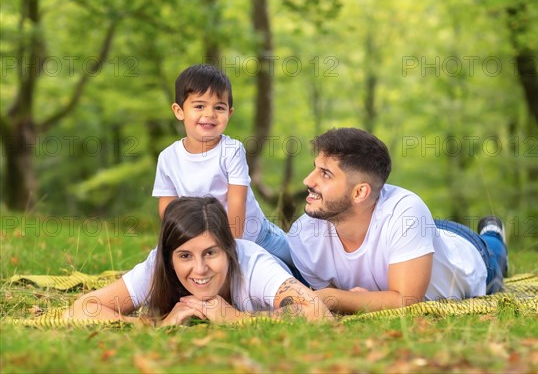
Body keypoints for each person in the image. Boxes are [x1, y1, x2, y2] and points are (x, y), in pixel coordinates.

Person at [287, 127, 508, 314]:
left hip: (467, 251)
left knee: (494, 250)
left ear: (359, 193)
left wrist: (331, 296)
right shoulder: (304, 235)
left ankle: (493, 231)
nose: (308, 180)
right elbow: (342, 306)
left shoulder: (407, 212)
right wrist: (345, 299)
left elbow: (406, 302)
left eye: (325, 174)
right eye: (315, 167)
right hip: (414, 236)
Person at [65, 197, 332, 325]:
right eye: (184, 256)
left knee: (327, 293)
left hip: (299, 274)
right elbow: (83, 308)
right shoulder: (157, 265)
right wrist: (157, 324)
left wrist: (234, 318)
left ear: (229, 250)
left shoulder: (253, 264)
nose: (200, 268)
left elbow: (317, 312)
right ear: (169, 259)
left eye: (210, 253)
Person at [153, 64, 292, 267]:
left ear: (230, 112)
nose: (210, 114)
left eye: (219, 107)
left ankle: (334, 283)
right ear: (179, 111)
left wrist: (231, 246)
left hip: (258, 233)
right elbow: (167, 205)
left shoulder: (231, 150)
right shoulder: (168, 157)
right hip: (209, 242)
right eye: (199, 106)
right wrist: (179, 238)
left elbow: (237, 201)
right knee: (275, 272)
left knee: (301, 259)